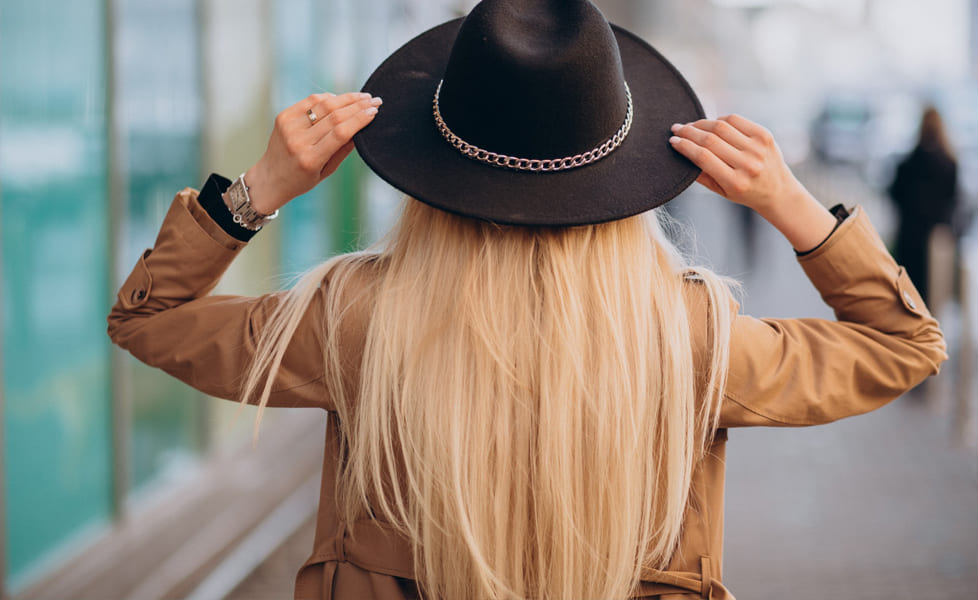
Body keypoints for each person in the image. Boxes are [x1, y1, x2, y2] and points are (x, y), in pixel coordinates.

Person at [107, 1, 947, 598]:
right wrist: (793, 207)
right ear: (624, 172)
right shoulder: (686, 338)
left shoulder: (357, 319)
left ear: (430, 167)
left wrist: (258, 190)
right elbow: (905, 346)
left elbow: (147, 319)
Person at [888, 105, 959, 304]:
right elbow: (954, 200)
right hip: (935, 237)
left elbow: (894, 194)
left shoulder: (908, 163)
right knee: (932, 297)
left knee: (909, 293)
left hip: (909, 235)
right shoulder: (949, 163)